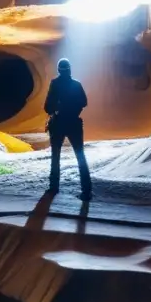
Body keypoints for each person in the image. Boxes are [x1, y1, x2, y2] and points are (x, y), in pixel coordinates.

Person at [44, 58, 92, 200]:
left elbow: (47, 107)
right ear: (70, 69)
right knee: (80, 157)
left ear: (59, 70)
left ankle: (54, 188)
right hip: (74, 124)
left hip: (58, 124)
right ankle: (86, 190)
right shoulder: (76, 85)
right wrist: (73, 109)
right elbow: (84, 102)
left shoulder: (55, 84)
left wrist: (58, 108)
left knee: (56, 157)